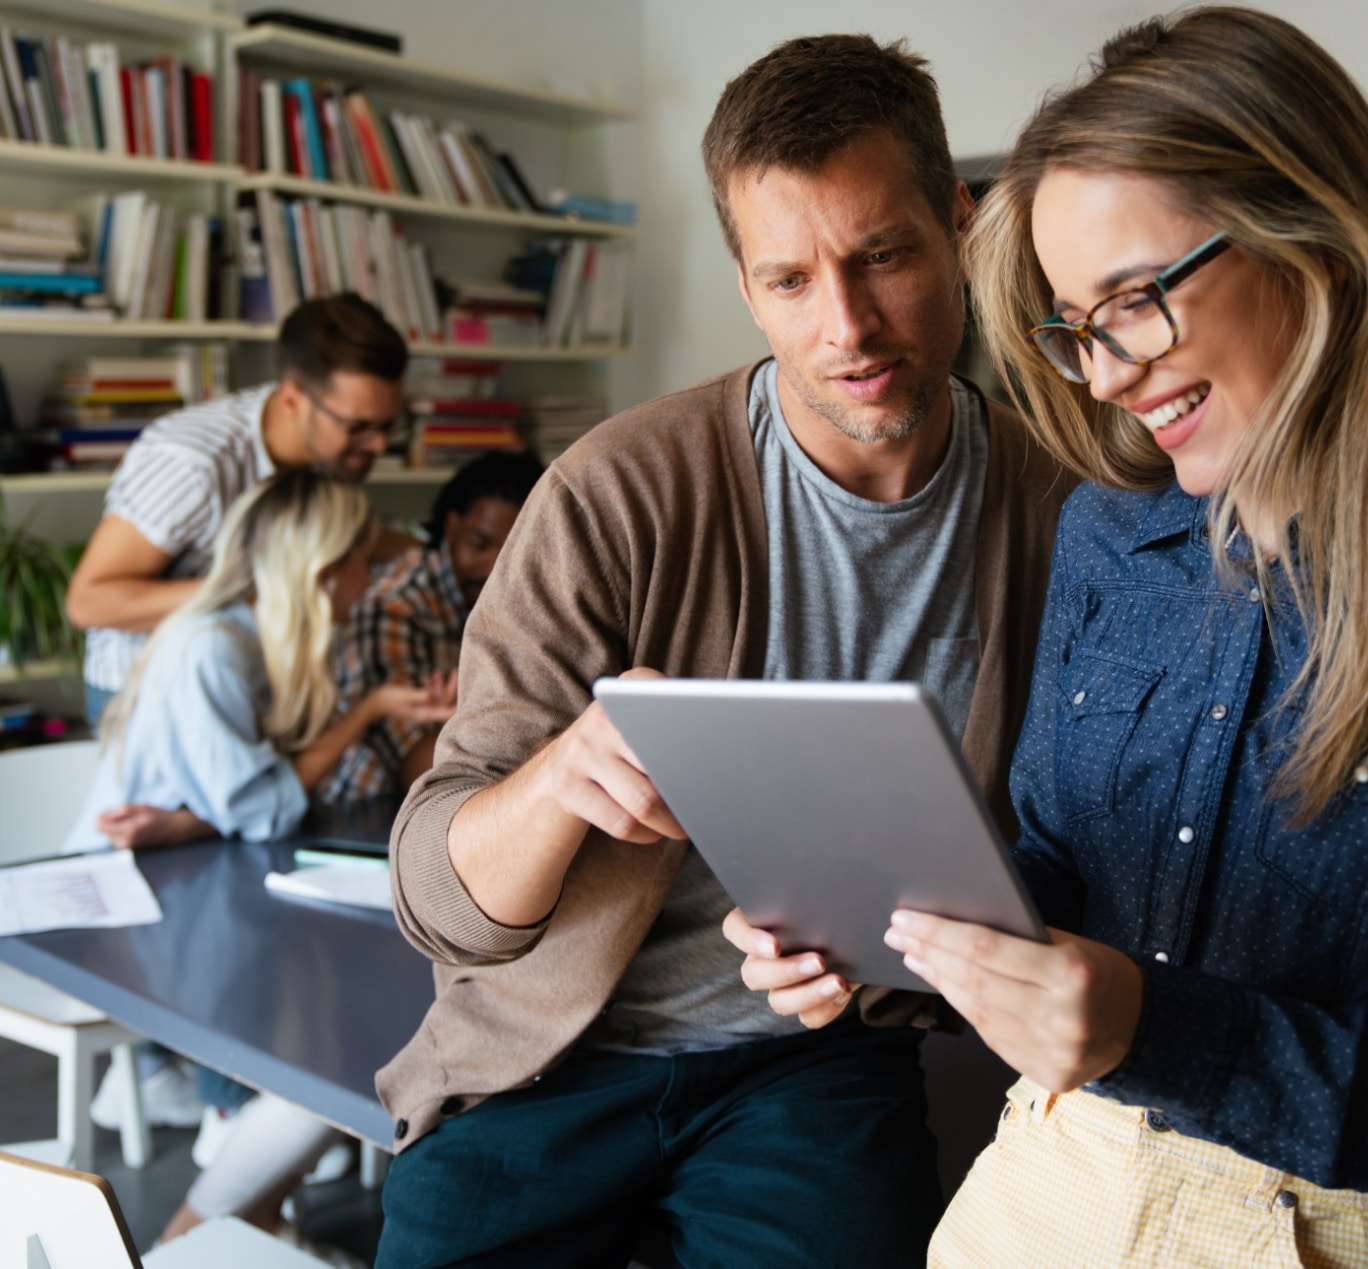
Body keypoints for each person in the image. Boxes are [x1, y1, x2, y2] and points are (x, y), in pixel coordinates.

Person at [375, 34, 1069, 1269]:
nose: (848, 326)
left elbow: (1065, 864)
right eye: (791, 280)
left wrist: (878, 972)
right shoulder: (616, 492)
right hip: (546, 1063)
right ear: (748, 288)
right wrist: (559, 779)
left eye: (885, 257)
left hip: (811, 1067)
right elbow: (437, 902)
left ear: (959, 223)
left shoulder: (1057, 508)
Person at [738, 9, 1368, 1267]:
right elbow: (1054, 862)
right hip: (1048, 1175)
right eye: (1077, 326)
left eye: (1134, 302)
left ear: (1314, 231)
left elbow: (1149, 1017)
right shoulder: (1107, 534)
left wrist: (1156, 1027)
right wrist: (889, 931)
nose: (1105, 377)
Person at [64, 469, 453, 1262]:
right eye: (360, 563)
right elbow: (265, 806)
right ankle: (194, 1234)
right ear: (322, 570)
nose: (367, 581)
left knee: (341, 1019)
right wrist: (367, 712)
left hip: (187, 876)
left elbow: (242, 798)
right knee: (340, 1045)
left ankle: (255, 1219)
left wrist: (190, 820)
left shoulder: (256, 637)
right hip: (117, 906)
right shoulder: (212, 646)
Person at [66, 292, 413, 727]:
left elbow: (356, 539)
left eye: (389, 425)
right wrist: (267, 586)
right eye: (359, 427)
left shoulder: (333, 453)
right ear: (292, 400)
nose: (378, 445)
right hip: (149, 697)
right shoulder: (191, 462)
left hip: (249, 686)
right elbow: (90, 602)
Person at [319, 448, 545, 804]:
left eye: (510, 553)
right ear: (451, 526)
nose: (492, 569)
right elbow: (418, 768)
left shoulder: (527, 595)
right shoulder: (393, 605)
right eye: (479, 544)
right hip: (371, 812)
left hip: (482, 800)